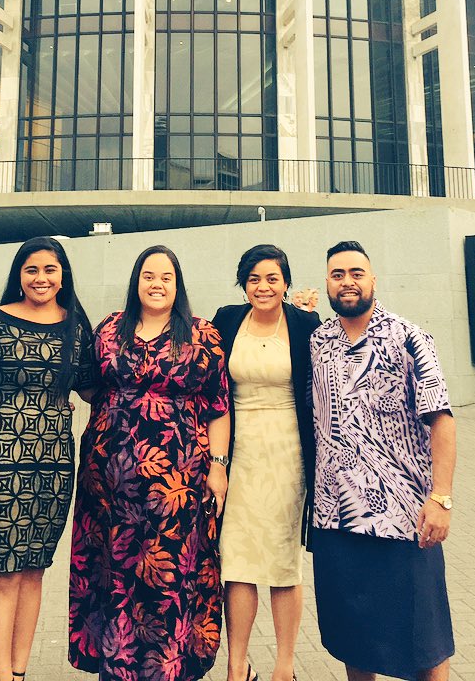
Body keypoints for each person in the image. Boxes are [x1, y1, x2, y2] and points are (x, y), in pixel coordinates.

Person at [69, 245, 230, 681]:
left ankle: (168, 667)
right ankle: (117, 666)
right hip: (108, 482)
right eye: (148, 276)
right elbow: (88, 385)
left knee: (167, 574)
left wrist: (218, 466)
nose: (157, 284)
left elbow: (218, 405)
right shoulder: (109, 329)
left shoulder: (202, 334)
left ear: (178, 285)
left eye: (166, 277)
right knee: (114, 571)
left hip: (176, 483)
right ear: (136, 281)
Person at [311, 240, 456, 681]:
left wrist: (441, 497)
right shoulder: (319, 341)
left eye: (356, 273)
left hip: (403, 515)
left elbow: (442, 421)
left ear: (374, 280)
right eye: (338, 274)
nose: (347, 282)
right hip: (336, 516)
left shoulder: (409, 338)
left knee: (424, 638)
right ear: (327, 283)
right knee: (355, 636)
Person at [0, 237, 98, 681]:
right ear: (18, 275)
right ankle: (1, 675)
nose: (41, 278)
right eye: (31, 270)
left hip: (54, 461)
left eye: (50, 269)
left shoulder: (77, 328)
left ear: (63, 275)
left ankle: (18, 673)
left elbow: (91, 387)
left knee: (36, 568)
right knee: (3, 571)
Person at [212, 244, 320, 681]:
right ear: (243, 284)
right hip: (238, 452)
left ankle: (284, 666)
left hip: (288, 452)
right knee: (236, 560)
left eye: (272, 278)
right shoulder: (225, 320)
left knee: (282, 561)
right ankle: (237, 666)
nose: (263, 287)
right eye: (254, 279)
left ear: (286, 283)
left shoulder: (305, 324)